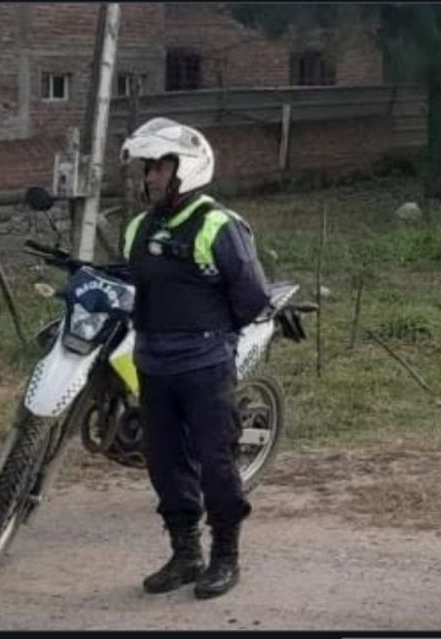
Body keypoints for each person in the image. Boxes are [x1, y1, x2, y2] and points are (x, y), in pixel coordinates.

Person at [119, 117, 271, 599]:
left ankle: (225, 555)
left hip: (204, 363)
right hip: (153, 363)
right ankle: (185, 553)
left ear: (186, 167)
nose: (150, 178)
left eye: (159, 168)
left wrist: (212, 337)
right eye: (147, 170)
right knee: (164, 463)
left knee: (216, 461)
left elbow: (251, 296)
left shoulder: (218, 225)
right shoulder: (138, 227)